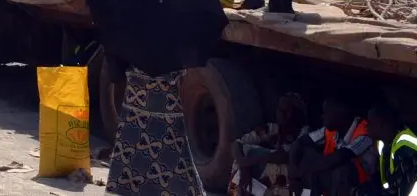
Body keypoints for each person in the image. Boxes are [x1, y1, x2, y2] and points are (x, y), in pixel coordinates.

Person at [106, 53, 204, 196]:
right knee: (173, 154)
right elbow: (182, 68)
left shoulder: (129, 37)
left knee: (131, 150)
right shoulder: (176, 40)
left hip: (136, 101)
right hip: (166, 106)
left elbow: (116, 67)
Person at [288, 96, 376, 196]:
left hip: (361, 189)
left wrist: (300, 172)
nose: (322, 116)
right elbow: (299, 143)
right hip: (335, 182)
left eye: (326, 113)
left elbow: (336, 159)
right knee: (308, 153)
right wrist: (293, 166)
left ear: (340, 114)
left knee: (342, 169)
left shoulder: (364, 132)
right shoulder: (330, 130)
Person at [228, 93, 308, 196]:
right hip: (266, 183)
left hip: (287, 184)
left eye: (288, 111)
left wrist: (249, 160)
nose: (283, 115)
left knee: (256, 156)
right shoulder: (271, 129)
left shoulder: (303, 133)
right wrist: (244, 165)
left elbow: (284, 157)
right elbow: (236, 143)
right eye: (280, 110)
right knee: (241, 157)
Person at [368, 103, 417, 196]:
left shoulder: (404, 147)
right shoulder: (383, 145)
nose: (367, 126)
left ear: (381, 124)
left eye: (370, 122)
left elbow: (401, 191)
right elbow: (379, 182)